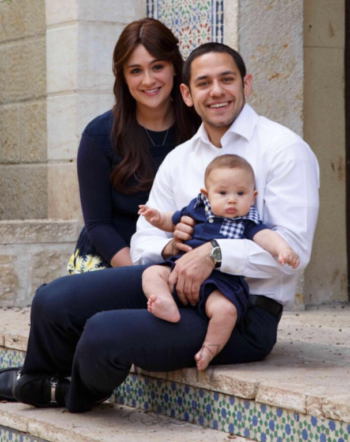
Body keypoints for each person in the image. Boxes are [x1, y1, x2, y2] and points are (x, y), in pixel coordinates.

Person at [0, 42, 319, 413]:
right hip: (170, 282)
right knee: (54, 298)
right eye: (203, 83)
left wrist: (213, 254)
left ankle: (66, 396)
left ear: (246, 84)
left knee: (104, 332)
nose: (216, 91)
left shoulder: (284, 150)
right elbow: (144, 237)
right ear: (186, 93)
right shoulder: (179, 159)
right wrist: (169, 248)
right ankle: (38, 380)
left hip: (241, 311)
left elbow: (293, 251)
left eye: (227, 79)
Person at [140, 154, 300, 371]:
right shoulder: (197, 209)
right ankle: (165, 302)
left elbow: (266, 237)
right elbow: (172, 219)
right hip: (182, 268)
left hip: (221, 283)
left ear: (253, 197)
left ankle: (209, 349)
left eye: (240, 193)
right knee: (151, 273)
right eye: (223, 193)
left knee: (226, 311)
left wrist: (283, 249)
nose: (232, 199)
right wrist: (158, 219)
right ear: (206, 195)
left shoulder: (247, 222)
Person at [67, 17, 199, 273]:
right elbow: (98, 225)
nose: (148, 80)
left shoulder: (200, 128)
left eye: (157, 66)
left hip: (184, 262)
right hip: (114, 261)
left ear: (174, 67)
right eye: (136, 70)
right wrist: (139, 274)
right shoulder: (99, 135)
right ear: (124, 78)